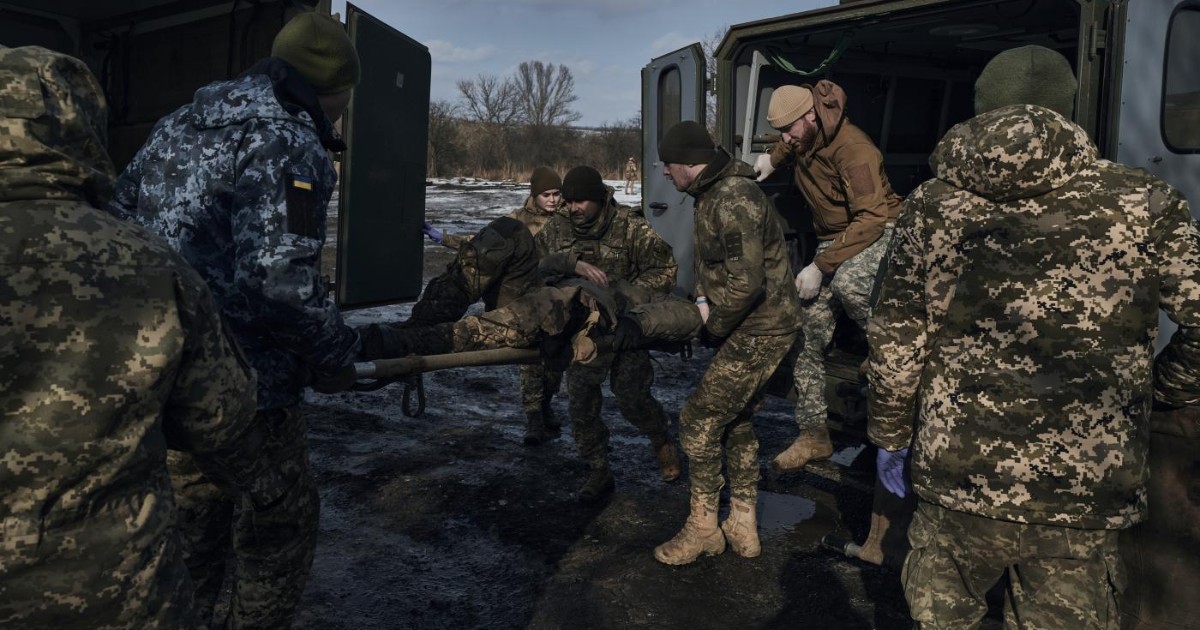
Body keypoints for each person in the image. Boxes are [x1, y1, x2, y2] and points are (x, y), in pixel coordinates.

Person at [867, 45, 1200, 628]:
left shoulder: (931, 206)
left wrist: (891, 434)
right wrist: (1158, 392)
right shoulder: (1145, 202)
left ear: (981, 109)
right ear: (1069, 110)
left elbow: (897, 338)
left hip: (957, 478)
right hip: (1085, 489)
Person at [0, 45, 283, 628]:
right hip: (116, 598)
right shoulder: (150, 264)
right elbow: (220, 418)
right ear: (80, 131)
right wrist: (269, 489)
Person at [106, 12, 361, 628]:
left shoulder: (178, 123)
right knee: (279, 524)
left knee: (193, 527)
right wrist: (334, 353)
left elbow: (117, 222)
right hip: (249, 387)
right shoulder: (290, 139)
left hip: (164, 372)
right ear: (337, 88)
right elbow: (279, 285)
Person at [653, 121, 802, 565]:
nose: (664, 174)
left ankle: (703, 528)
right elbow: (720, 268)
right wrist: (701, 299)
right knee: (735, 421)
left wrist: (713, 326)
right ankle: (742, 522)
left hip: (761, 326)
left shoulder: (732, 198)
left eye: (668, 165)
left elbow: (747, 281)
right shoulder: (711, 194)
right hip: (754, 323)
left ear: (688, 164)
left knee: (698, 420)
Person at [755, 80, 903, 472]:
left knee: (850, 281)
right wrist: (774, 157)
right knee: (806, 330)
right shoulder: (804, 135)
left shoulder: (854, 149)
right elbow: (791, 140)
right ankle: (813, 435)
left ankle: (891, 349)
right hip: (835, 237)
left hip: (878, 231)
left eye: (789, 130)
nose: (785, 138)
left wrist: (821, 266)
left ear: (811, 116)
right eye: (780, 132)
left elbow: (872, 218)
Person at [535, 165, 682, 501]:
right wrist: (566, 265)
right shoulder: (556, 228)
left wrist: (626, 298)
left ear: (600, 198)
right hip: (582, 332)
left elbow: (664, 269)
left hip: (626, 330)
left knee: (632, 398)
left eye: (581, 201)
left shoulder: (628, 226)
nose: (573, 208)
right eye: (568, 201)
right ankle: (598, 468)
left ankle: (661, 441)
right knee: (582, 403)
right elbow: (534, 265)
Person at [419, 166, 566, 445]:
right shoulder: (515, 222)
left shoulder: (567, 221)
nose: (552, 199)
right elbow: (482, 248)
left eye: (557, 194)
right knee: (530, 362)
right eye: (546, 194)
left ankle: (546, 406)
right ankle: (534, 418)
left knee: (554, 361)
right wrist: (445, 239)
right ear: (534, 195)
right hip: (520, 302)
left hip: (555, 300)